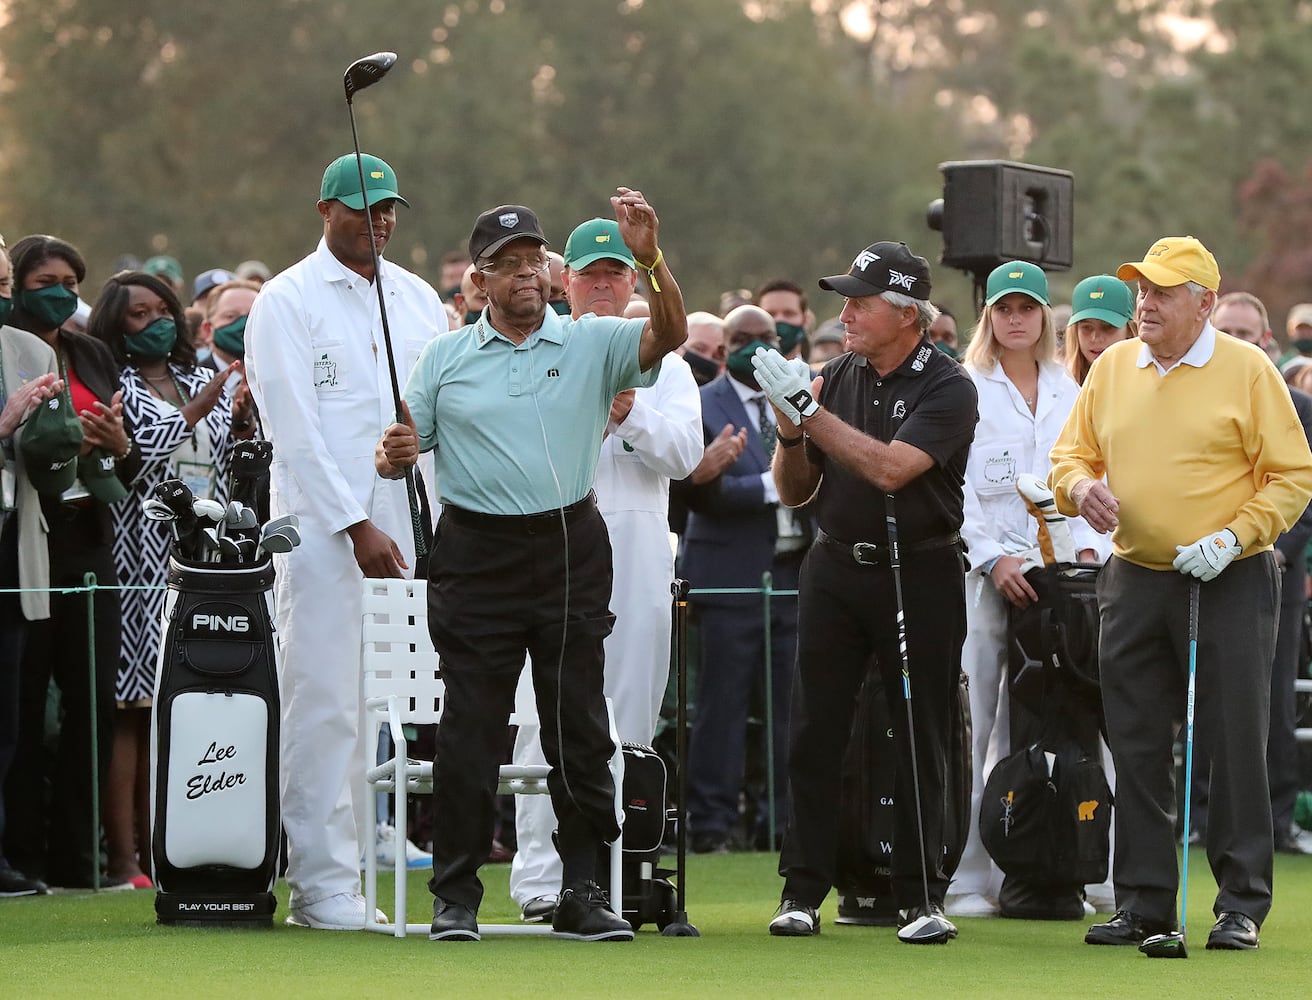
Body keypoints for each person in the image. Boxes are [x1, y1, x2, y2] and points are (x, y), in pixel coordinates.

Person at [376, 188, 687, 943]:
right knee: (472, 730)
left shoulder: (592, 340)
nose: (522, 273)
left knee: (577, 726)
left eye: (531, 261)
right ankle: (456, 895)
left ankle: (582, 889)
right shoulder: (444, 357)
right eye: (504, 264)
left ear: (549, 272)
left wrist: (650, 260)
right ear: (478, 279)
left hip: (568, 546)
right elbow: (403, 447)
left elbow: (670, 334)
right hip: (476, 553)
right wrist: (394, 454)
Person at [1050, 236, 1312, 951]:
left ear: (1204, 303)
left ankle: (1240, 903)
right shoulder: (1113, 367)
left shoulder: (1248, 369)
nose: (1146, 303)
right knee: (1135, 741)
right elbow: (1069, 455)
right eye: (1143, 291)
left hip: (1229, 577)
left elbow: (1292, 476)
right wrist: (1080, 487)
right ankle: (1144, 902)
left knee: (1234, 740)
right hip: (1134, 576)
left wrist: (1234, 536)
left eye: (1163, 292)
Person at [245, 152, 448, 930]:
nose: (380, 220)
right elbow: (294, 432)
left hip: (405, 524)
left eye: (389, 207)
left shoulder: (417, 296)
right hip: (323, 534)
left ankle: (360, 868)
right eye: (363, 207)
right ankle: (320, 883)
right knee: (324, 699)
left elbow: (434, 410)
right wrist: (354, 523)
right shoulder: (286, 300)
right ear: (325, 211)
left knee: (383, 708)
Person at [759, 241, 977, 939]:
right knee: (815, 729)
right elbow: (795, 492)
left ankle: (919, 896)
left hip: (921, 570)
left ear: (907, 313)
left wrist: (810, 413)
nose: (845, 314)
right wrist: (791, 433)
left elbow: (890, 470)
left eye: (861, 302)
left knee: (921, 731)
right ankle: (801, 891)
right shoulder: (834, 377)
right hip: (835, 567)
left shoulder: (948, 385)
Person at [508, 216, 702, 923]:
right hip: (552, 546)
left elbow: (685, 456)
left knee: (632, 714)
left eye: (614, 274)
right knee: (543, 715)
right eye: (588, 275)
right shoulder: (540, 350)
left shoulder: (667, 362)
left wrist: (630, 413)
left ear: (632, 282)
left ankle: (619, 875)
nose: (600, 286)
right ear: (565, 281)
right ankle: (541, 877)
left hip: (640, 544)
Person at [947, 261, 1104, 920]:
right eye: (1004, 309)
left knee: (1071, 725)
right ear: (989, 317)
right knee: (976, 726)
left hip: (1064, 583)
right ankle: (963, 878)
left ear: (1045, 317)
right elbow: (952, 484)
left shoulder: (1073, 391)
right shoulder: (965, 387)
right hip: (987, 580)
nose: (1016, 320)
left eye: (1027, 308)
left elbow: (1091, 475)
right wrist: (992, 559)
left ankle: (1077, 870)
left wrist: (1084, 556)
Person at [89, 267, 250, 887]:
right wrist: (197, 410)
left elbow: (224, 461)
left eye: (162, 310)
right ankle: (123, 857)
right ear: (117, 324)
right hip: (139, 557)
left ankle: (174, 846)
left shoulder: (196, 376)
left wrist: (235, 420)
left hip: (203, 558)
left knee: (183, 706)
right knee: (134, 704)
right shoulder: (117, 384)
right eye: (140, 314)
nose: (155, 321)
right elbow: (135, 455)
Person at [3, 236, 136, 891]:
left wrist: (115, 445)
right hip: (29, 533)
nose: (59, 292)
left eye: (71, 282)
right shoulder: (12, 350)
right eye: (44, 281)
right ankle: (22, 852)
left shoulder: (91, 352)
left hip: (90, 536)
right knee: (25, 701)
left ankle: (79, 860)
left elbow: (120, 460)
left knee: (91, 700)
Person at [682, 304, 807, 855]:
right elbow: (695, 491)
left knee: (790, 709)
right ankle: (711, 823)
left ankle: (781, 822)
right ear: (724, 348)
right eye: (743, 340)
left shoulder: (798, 398)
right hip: (728, 579)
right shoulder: (701, 403)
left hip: (793, 576)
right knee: (722, 707)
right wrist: (771, 486)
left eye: (767, 338)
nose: (756, 348)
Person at [1206, 292, 1312, 856]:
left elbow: (1304, 487)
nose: (1236, 342)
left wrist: (1274, 548)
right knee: (1204, 697)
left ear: (1266, 340)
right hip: (1200, 568)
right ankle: (1201, 816)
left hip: (1274, 572)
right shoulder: (1190, 396)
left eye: (1246, 333)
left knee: (1271, 702)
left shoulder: (1299, 406)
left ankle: (1278, 820)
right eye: (1227, 331)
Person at [0, 240, 65, 897]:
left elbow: (52, 469)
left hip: (13, 549)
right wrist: (3, 423)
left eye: (2, 285)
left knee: (8, 717)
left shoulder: (32, 353)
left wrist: (67, 437)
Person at [1063, 275, 1135, 385]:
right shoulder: (1061, 386)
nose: (1095, 338)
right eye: (1087, 327)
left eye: (1108, 327)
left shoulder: (1148, 383)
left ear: (1129, 331)